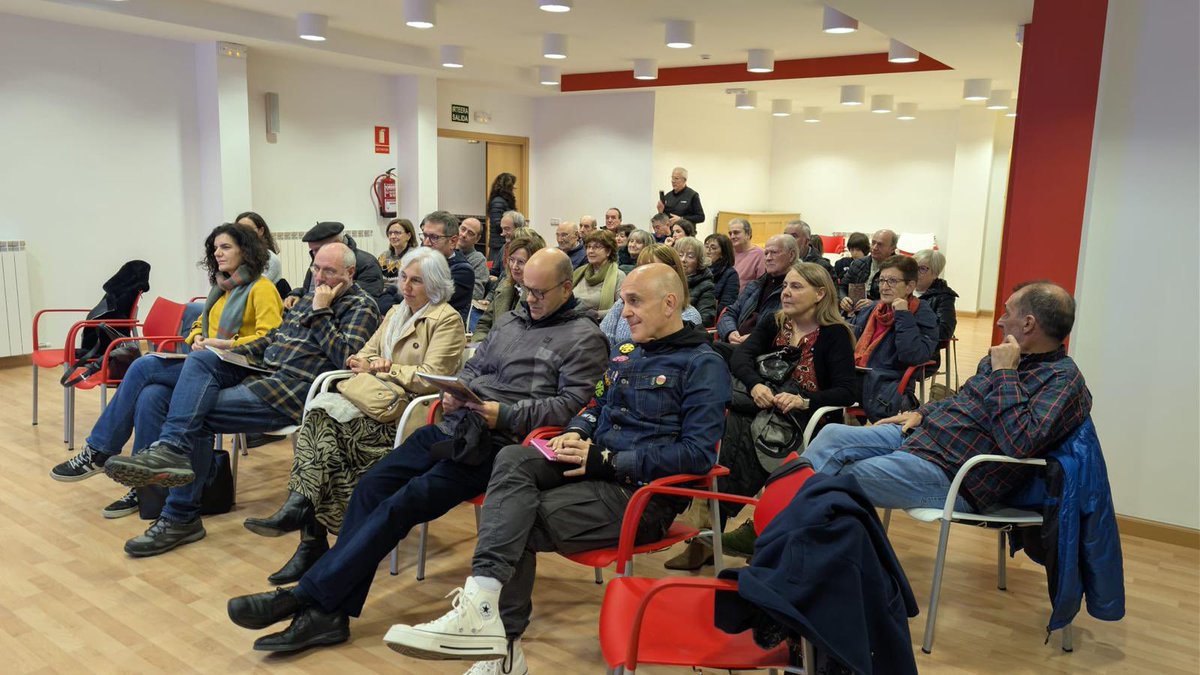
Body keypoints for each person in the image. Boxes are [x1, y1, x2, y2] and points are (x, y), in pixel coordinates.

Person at [224, 248, 607, 653]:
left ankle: (306, 598)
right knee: (371, 487)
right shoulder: (511, 321)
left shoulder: (584, 338)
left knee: (400, 504)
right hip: (459, 426)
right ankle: (328, 614)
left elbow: (571, 408)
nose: (529, 299)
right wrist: (459, 392)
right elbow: (473, 369)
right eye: (524, 289)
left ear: (567, 288)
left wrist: (506, 413)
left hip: (502, 447)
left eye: (539, 292)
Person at [381, 263, 730, 672]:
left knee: (515, 520)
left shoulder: (702, 364)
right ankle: (483, 614)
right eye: (623, 302)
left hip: (639, 496)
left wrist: (609, 459)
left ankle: (501, 645)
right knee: (511, 457)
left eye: (634, 301)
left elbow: (699, 455)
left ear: (670, 303)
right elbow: (595, 405)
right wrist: (580, 431)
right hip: (592, 470)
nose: (625, 311)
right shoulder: (628, 353)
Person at [100, 243, 379, 556]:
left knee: (194, 413)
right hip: (261, 374)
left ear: (350, 273)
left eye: (329, 271)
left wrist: (321, 312)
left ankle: (179, 512)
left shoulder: (360, 305)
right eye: (316, 268)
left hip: (293, 392)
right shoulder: (306, 298)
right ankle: (169, 465)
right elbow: (273, 339)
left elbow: (347, 361)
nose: (320, 277)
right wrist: (228, 347)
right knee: (171, 379)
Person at [243, 248, 466, 585]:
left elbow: (433, 377)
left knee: (324, 433)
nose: (406, 286)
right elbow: (361, 355)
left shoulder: (446, 319)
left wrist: (389, 368)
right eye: (404, 277)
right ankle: (311, 532)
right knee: (318, 420)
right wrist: (369, 364)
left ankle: (308, 531)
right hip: (373, 401)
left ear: (434, 284)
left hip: (407, 414)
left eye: (416, 280)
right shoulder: (394, 312)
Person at [50, 223, 284, 519]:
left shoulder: (262, 289)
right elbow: (202, 323)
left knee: (145, 365)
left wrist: (226, 343)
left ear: (245, 250)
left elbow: (270, 339)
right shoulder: (222, 287)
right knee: (151, 394)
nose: (218, 253)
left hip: (242, 367)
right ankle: (143, 484)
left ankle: (98, 451)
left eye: (226, 247)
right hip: (211, 361)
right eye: (215, 249)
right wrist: (196, 337)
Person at [804, 281, 1091, 514]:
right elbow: (965, 399)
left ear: (1028, 324)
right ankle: (783, 540)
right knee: (831, 436)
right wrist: (924, 413)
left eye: (1007, 312)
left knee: (842, 476)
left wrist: (1006, 373)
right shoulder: (1002, 357)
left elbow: (1020, 443)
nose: (1001, 321)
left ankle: (779, 542)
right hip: (921, 438)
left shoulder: (1062, 380)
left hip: (956, 474)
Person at [667, 262, 858, 568]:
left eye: (797, 287)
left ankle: (731, 534)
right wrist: (756, 385)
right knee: (722, 433)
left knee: (732, 437)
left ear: (820, 293)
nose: (787, 293)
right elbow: (741, 356)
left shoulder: (835, 335)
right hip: (762, 406)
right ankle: (706, 535)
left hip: (805, 419)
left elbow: (848, 391)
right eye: (786, 286)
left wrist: (802, 400)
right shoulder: (774, 321)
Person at [851, 255, 938, 421]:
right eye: (882, 280)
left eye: (892, 281)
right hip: (858, 376)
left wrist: (903, 315)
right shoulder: (873, 309)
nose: (884, 287)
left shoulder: (922, 314)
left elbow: (912, 355)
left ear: (909, 286)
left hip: (885, 384)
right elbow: (848, 342)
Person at [600, 244, 704, 346]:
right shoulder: (623, 302)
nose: (641, 275)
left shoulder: (689, 316)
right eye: (640, 268)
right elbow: (603, 339)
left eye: (650, 268)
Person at [717, 235, 800, 349]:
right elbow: (730, 312)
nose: (768, 258)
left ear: (791, 255)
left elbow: (792, 327)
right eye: (766, 253)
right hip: (736, 344)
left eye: (774, 253)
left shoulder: (797, 289)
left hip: (764, 351)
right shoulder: (755, 285)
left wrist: (755, 338)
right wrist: (730, 333)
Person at [283, 222, 386, 311]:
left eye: (318, 249)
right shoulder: (319, 261)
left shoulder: (367, 263)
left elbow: (366, 297)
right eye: (312, 250)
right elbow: (310, 289)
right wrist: (296, 294)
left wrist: (320, 309)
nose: (315, 255)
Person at [472, 234, 544, 343]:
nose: (514, 266)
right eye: (511, 260)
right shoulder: (504, 287)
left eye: (521, 262)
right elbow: (484, 324)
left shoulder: (539, 297)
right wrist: (480, 345)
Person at [419, 210, 475, 323]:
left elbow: (425, 301)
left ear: (453, 241)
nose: (426, 243)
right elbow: (396, 291)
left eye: (434, 237)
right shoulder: (420, 260)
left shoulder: (463, 271)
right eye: (425, 236)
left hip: (442, 330)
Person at [839, 229, 898, 313]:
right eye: (873, 243)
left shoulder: (899, 269)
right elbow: (842, 286)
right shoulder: (858, 263)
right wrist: (843, 298)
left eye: (880, 245)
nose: (874, 248)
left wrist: (874, 304)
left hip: (882, 314)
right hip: (854, 313)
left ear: (892, 249)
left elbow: (900, 298)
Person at [571, 230, 625, 319]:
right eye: (588, 247)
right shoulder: (579, 272)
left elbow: (622, 308)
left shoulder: (618, 275)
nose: (590, 251)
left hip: (598, 324)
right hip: (572, 320)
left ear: (608, 251)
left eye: (596, 247)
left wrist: (598, 314)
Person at [913, 249, 958, 342]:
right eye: (913, 267)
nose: (915, 272)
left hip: (924, 348)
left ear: (935, 274)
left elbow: (944, 332)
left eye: (922, 269)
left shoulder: (944, 297)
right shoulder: (903, 288)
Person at [674, 236, 717, 326]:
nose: (683, 260)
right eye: (680, 255)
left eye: (690, 256)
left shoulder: (706, 286)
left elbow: (706, 319)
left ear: (699, 262)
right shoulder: (669, 279)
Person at [235, 211, 283, 284]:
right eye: (239, 230)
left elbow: (251, 287)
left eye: (248, 229)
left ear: (261, 231)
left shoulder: (270, 259)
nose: (243, 234)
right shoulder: (237, 256)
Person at [705, 232, 741, 315]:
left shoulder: (731, 275)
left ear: (723, 253)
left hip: (712, 317)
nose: (707, 251)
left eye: (713, 248)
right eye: (706, 246)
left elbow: (725, 306)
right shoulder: (700, 270)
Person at [457, 217, 490, 302]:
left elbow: (477, 294)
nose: (464, 234)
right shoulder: (445, 250)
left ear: (477, 239)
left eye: (470, 233)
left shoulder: (478, 260)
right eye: (463, 229)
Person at [488, 210, 525, 283]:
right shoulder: (504, 247)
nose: (502, 234)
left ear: (518, 228)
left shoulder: (528, 249)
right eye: (502, 229)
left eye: (506, 229)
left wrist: (498, 280)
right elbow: (495, 271)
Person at [729, 218, 765, 292]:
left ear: (748, 234)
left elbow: (761, 285)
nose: (732, 236)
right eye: (730, 233)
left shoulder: (760, 254)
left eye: (736, 233)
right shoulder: (728, 252)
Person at [487, 172, 517, 262]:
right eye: (513, 184)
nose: (515, 187)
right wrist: (513, 227)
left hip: (502, 243)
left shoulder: (502, 200)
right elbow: (497, 224)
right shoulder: (498, 201)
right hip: (498, 245)